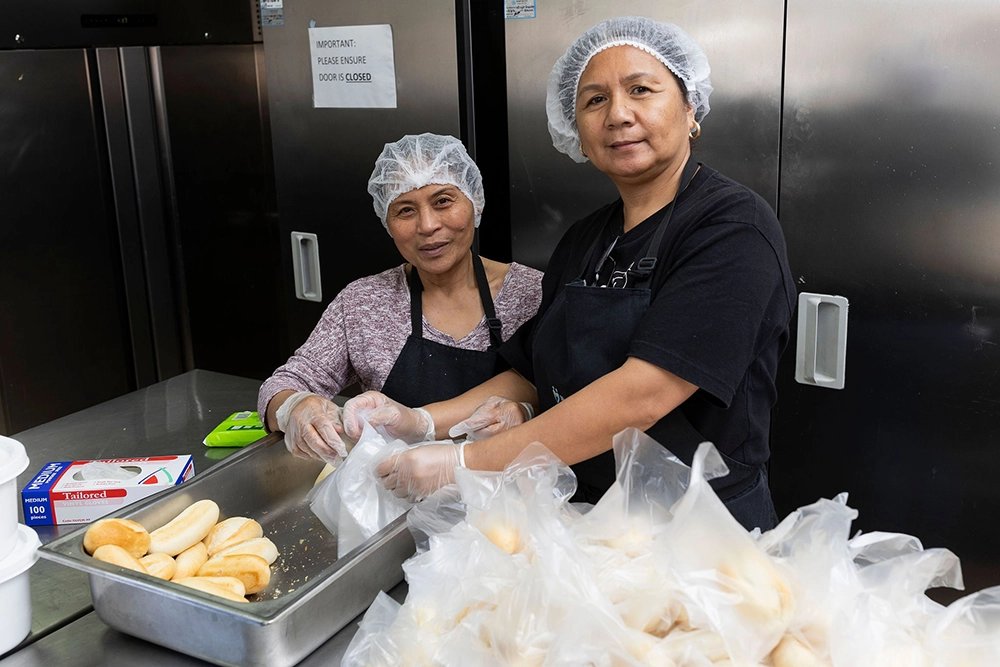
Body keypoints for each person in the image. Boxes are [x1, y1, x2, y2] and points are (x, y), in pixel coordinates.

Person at [343, 17, 795, 531]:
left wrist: (460, 463)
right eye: (595, 100)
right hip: (588, 516)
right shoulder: (586, 238)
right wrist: (421, 420)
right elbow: (534, 371)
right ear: (576, 132)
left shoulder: (732, 227)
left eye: (641, 90)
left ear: (690, 107)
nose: (619, 115)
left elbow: (643, 394)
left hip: (698, 530)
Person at [258, 133, 543, 465]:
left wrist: (526, 409)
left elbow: (572, 395)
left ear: (475, 201)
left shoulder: (532, 293)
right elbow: (283, 384)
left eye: (443, 201)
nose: (428, 225)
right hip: (394, 498)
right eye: (405, 210)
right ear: (387, 221)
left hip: (512, 503)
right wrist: (295, 406)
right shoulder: (364, 303)